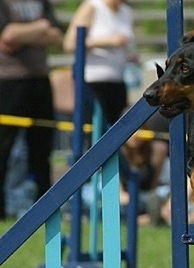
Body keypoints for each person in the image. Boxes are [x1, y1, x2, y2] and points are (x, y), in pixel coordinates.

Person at [0, 0, 63, 219]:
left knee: (42, 149)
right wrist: (40, 28)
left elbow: (57, 36)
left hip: (40, 80)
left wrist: (22, 34)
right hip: (8, 82)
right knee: (3, 149)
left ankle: (44, 208)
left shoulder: (40, 1)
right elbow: (7, 36)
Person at [63, 0, 136, 126]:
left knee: (117, 131)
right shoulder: (92, 7)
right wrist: (107, 41)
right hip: (92, 82)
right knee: (95, 130)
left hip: (118, 81)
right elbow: (69, 44)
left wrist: (129, 57)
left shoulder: (126, 11)